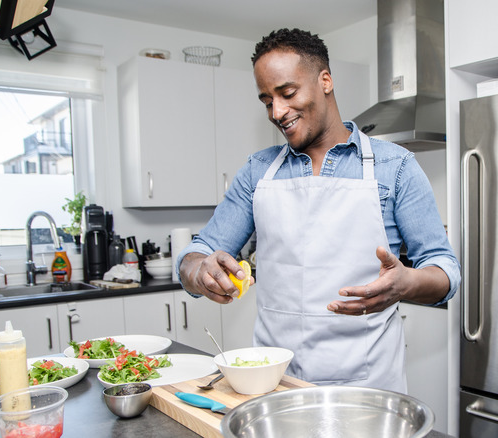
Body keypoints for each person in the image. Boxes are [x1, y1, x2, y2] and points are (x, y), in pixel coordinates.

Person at [177, 28, 460, 393]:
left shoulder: (397, 167)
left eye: (288, 93)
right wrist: (200, 270)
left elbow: (446, 272)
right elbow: (193, 255)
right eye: (266, 101)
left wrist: (407, 283)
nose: (277, 112)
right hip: (274, 386)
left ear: (325, 80)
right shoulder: (257, 171)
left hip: (367, 390)